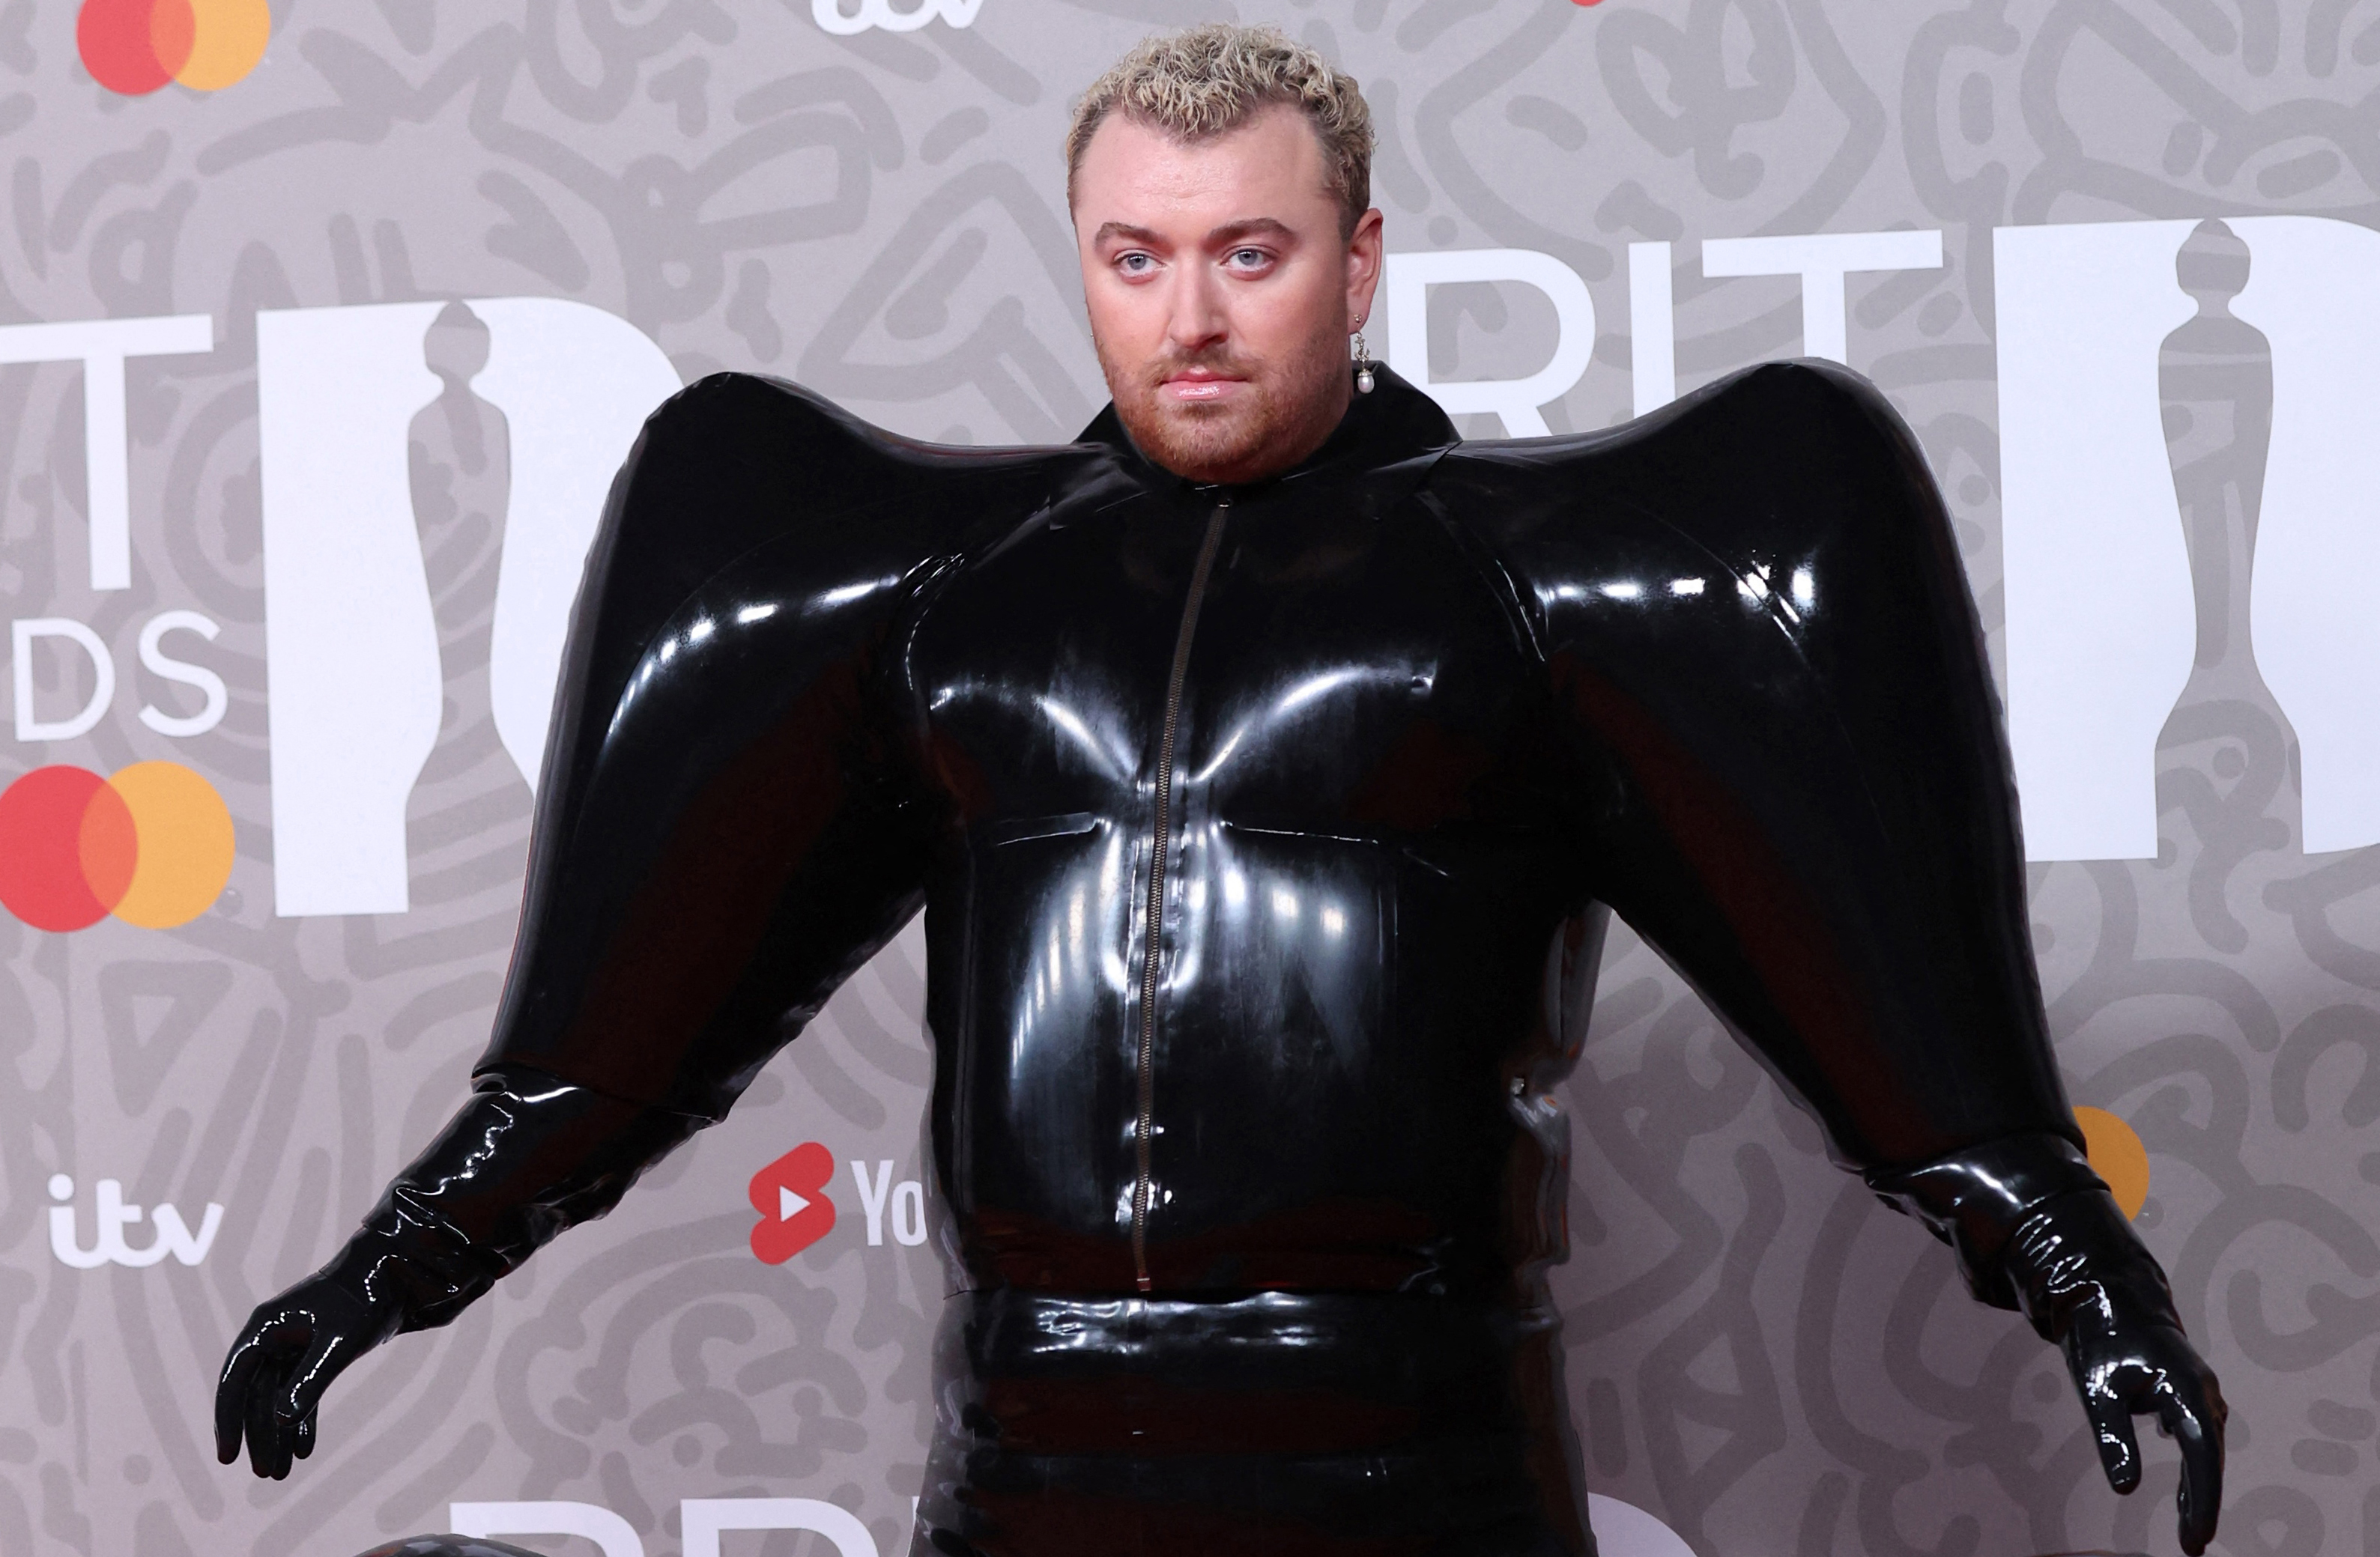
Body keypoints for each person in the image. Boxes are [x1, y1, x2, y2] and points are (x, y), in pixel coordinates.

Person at [216, 25, 2226, 1556]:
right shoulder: (937, 595)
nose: (1187, 314)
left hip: (1413, 1463)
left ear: (1356, 263)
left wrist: (2083, 1273)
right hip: (1024, 1462)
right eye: (1135, 254)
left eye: (1247, 253)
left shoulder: (1542, 585)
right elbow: (618, 1034)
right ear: (1082, 260)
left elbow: (1889, 1015)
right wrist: (379, 1277)